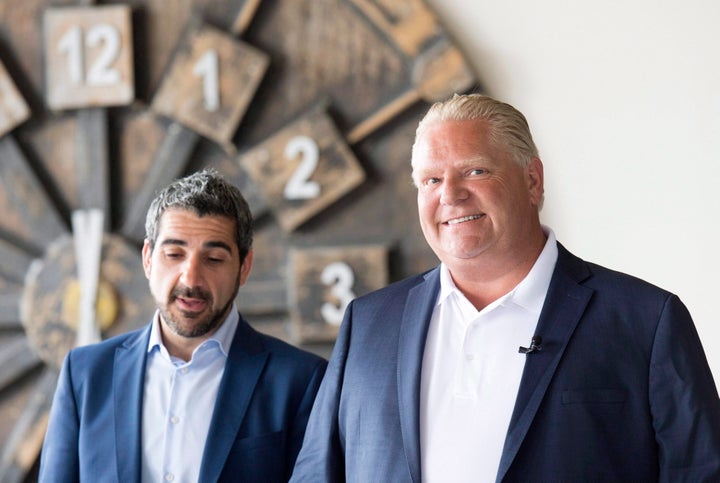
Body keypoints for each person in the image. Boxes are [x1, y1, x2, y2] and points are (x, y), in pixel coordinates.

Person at [290, 93, 720, 482]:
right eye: (431, 180)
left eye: (475, 171)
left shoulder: (646, 321)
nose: (450, 196)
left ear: (533, 181)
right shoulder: (368, 323)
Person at [40, 169, 327, 482]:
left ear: (244, 268)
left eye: (214, 259)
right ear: (148, 259)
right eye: (174, 254)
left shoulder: (302, 381)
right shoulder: (84, 374)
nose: (191, 279)